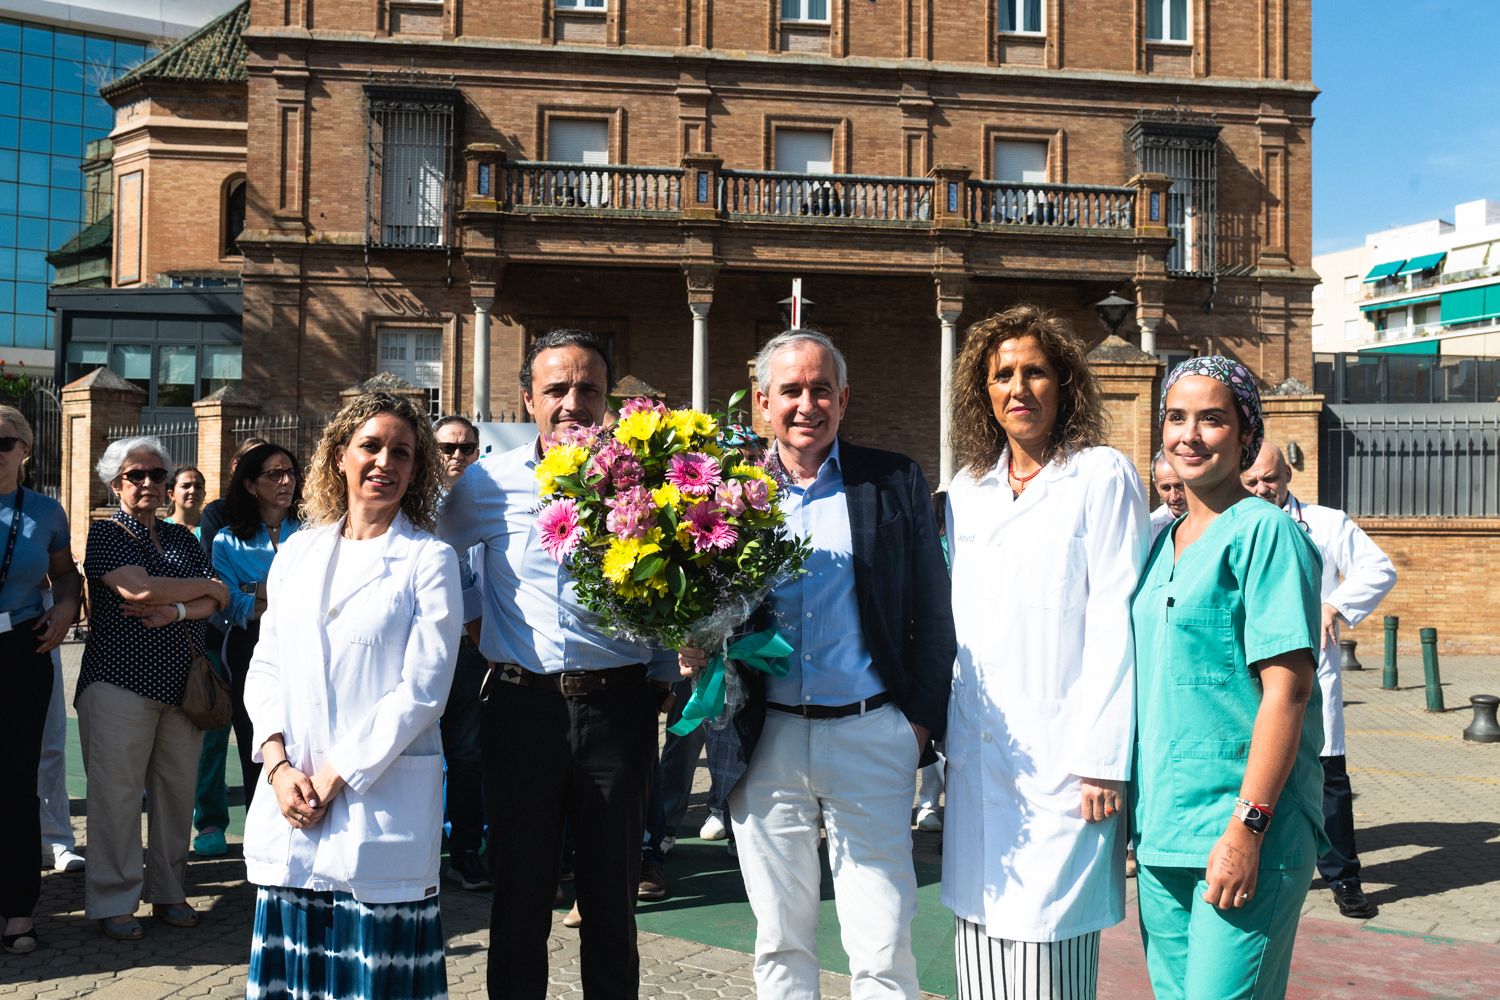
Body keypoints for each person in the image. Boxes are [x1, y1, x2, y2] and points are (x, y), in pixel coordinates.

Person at [686, 328, 955, 1000]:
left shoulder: (892, 481)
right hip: (764, 738)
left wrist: (916, 726)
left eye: (821, 389)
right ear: (761, 402)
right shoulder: (726, 493)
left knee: (883, 939)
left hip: (871, 734)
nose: (807, 405)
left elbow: (934, 609)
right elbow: (698, 604)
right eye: (791, 391)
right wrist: (693, 644)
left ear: (844, 398)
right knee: (781, 939)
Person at [439, 329, 675, 1000]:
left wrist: (663, 663)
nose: (573, 402)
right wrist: (476, 620)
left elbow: (675, 571)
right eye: (556, 389)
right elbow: (437, 555)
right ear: (528, 400)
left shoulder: (645, 478)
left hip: (618, 711)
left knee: (611, 900)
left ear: (607, 399)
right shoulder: (487, 483)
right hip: (522, 709)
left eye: (588, 388)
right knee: (520, 897)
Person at [941, 306, 1147, 999]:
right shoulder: (968, 489)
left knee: (1047, 965)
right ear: (984, 391)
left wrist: (1104, 761)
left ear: (1065, 384)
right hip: (980, 752)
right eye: (1002, 375)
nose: (1018, 388)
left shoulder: (1100, 476)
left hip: (1067, 763)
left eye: (1035, 372)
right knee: (980, 960)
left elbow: (1118, 619)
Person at [241, 392, 461, 999]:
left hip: (377, 806)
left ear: (416, 470)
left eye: (402, 452)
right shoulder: (298, 552)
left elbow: (424, 690)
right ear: (340, 455)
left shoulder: (429, 560)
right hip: (292, 802)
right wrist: (277, 766)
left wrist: (334, 776)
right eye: (370, 446)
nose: (384, 462)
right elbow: (267, 664)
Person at [1131, 357, 1325, 999]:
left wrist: (1247, 828)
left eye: (1211, 418)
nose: (1189, 434)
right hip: (1164, 831)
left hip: (1241, 831)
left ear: (1246, 434)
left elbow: (1288, 690)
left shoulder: (1266, 534)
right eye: (1176, 417)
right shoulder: (1163, 543)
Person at [78, 435, 229, 941]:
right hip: (117, 682)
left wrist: (180, 608)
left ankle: (168, 892)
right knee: (116, 796)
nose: (147, 483)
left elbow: (219, 601)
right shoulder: (106, 533)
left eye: (156, 475)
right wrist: (202, 588)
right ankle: (114, 900)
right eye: (134, 475)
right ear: (115, 484)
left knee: (176, 795)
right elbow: (138, 588)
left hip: (182, 687)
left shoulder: (182, 537)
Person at [1242, 442, 1396, 920]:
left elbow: (1378, 567)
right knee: (1251, 776)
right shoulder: (1231, 523)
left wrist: (1335, 605)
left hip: (1311, 676)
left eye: (1271, 479)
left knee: (1328, 781)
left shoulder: (1326, 523)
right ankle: (1254, 867)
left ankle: (1344, 878)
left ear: (1287, 476)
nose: (1262, 488)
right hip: (1247, 679)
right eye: (1252, 481)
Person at [0, 405, 81, 954]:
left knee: (16, 782)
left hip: (20, 650)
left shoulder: (46, 511)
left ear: (25, 450)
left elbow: (65, 574)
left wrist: (67, 608)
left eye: (3, 443)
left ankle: (18, 910)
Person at [211, 443, 302, 832]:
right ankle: (261, 837)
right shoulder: (226, 540)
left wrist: (259, 589)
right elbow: (229, 603)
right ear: (250, 484)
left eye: (290, 473)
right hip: (249, 648)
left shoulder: (316, 532)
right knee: (258, 744)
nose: (286, 481)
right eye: (274, 474)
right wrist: (281, 592)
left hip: (307, 646)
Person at [191, 436, 268, 857]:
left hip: (269, 640)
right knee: (216, 735)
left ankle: (265, 826)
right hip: (221, 639)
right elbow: (221, 585)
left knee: (264, 738)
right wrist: (260, 592)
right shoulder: (219, 516)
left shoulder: (297, 522)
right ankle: (210, 822)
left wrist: (255, 589)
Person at [433, 414, 492, 892]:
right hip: (422, 650)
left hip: (473, 651)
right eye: (447, 447)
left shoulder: (491, 500)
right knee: (417, 753)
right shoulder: (416, 506)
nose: (457, 456)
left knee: (468, 754)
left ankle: (466, 851)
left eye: (466, 448)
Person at [1149, 448, 1188, 545]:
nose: (1174, 497)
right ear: (1156, 486)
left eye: (1179, 486)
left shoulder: (1215, 520)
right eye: (1166, 488)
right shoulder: (1150, 527)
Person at [164, 467, 206, 536]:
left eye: (198, 487)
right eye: (185, 486)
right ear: (171, 494)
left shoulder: (213, 528)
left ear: (204, 494)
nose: (193, 491)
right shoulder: (161, 530)